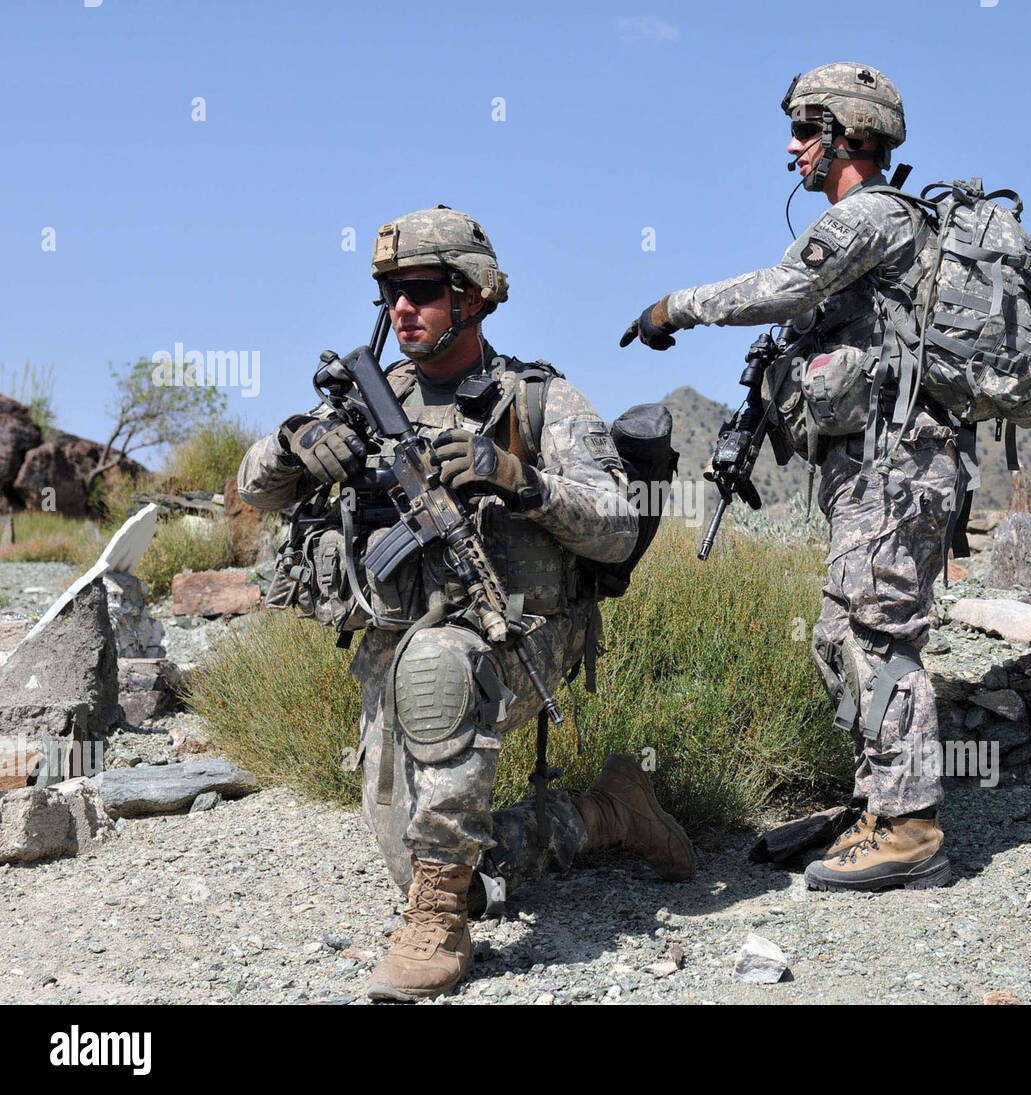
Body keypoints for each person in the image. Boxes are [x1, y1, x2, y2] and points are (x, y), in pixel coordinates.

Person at [239, 206, 694, 1002]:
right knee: (419, 858)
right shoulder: (367, 400)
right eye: (388, 292)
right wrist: (290, 444)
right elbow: (252, 487)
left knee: (441, 675)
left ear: (474, 295)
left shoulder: (537, 399)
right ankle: (610, 813)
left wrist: (520, 480)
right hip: (390, 649)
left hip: (518, 634)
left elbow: (620, 528)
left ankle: (441, 922)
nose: (399, 309)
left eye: (418, 290)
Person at [620, 64, 955, 893]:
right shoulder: (864, 233)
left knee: (879, 632)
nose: (792, 149)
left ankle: (911, 826)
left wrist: (675, 306)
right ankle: (876, 803)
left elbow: (780, 287)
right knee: (840, 633)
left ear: (848, 134)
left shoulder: (870, 216)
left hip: (896, 461)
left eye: (807, 131)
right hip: (866, 465)